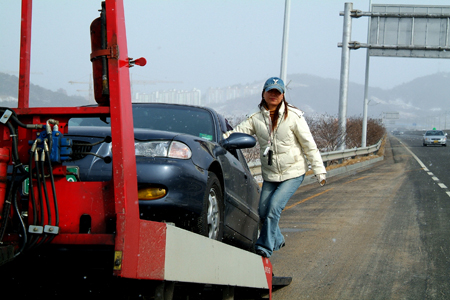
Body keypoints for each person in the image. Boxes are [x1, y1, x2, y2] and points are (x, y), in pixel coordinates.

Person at [224, 77, 326, 258]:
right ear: (263, 93)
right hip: (271, 174)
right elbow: (238, 132)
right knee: (262, 212)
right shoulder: (255, 117)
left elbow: (309, 145)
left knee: (273, 208)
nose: (273, 95)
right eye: (270, 91)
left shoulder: (294, 116)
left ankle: (264, 247)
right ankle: (277, 239)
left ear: (283, 95)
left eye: (277, 92)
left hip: (293, 172)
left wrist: (319, 170)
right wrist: (221, 139)